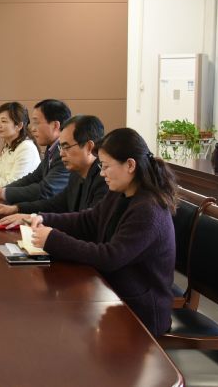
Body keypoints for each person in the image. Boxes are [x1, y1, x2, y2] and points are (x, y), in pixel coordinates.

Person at [27, 127, 177, 337]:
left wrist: (53, 239)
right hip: (114, 293)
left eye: (106, 166)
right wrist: (45, 218)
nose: (102, 173)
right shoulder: (121, 192)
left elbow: (110, 257)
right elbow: (89, 220)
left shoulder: (148, 210)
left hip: (140, 311)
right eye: (101, 166)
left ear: (130, 165)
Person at [0, 115, 107, 221]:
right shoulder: (76, 174)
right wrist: (17, 208)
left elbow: (88, 221)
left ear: (89, 147)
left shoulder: (105, 179)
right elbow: (56, 204)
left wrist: (38, 220)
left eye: (66, 147)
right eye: (60, 147)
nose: (61, 153)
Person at [0, 99, 71, 203]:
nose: (33, 128)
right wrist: (2, 192)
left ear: (55, 126)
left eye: (37, 123)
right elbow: (32, 178)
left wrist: (1, 193)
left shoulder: (63, 153)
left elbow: (45, 190)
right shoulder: (51, 149)